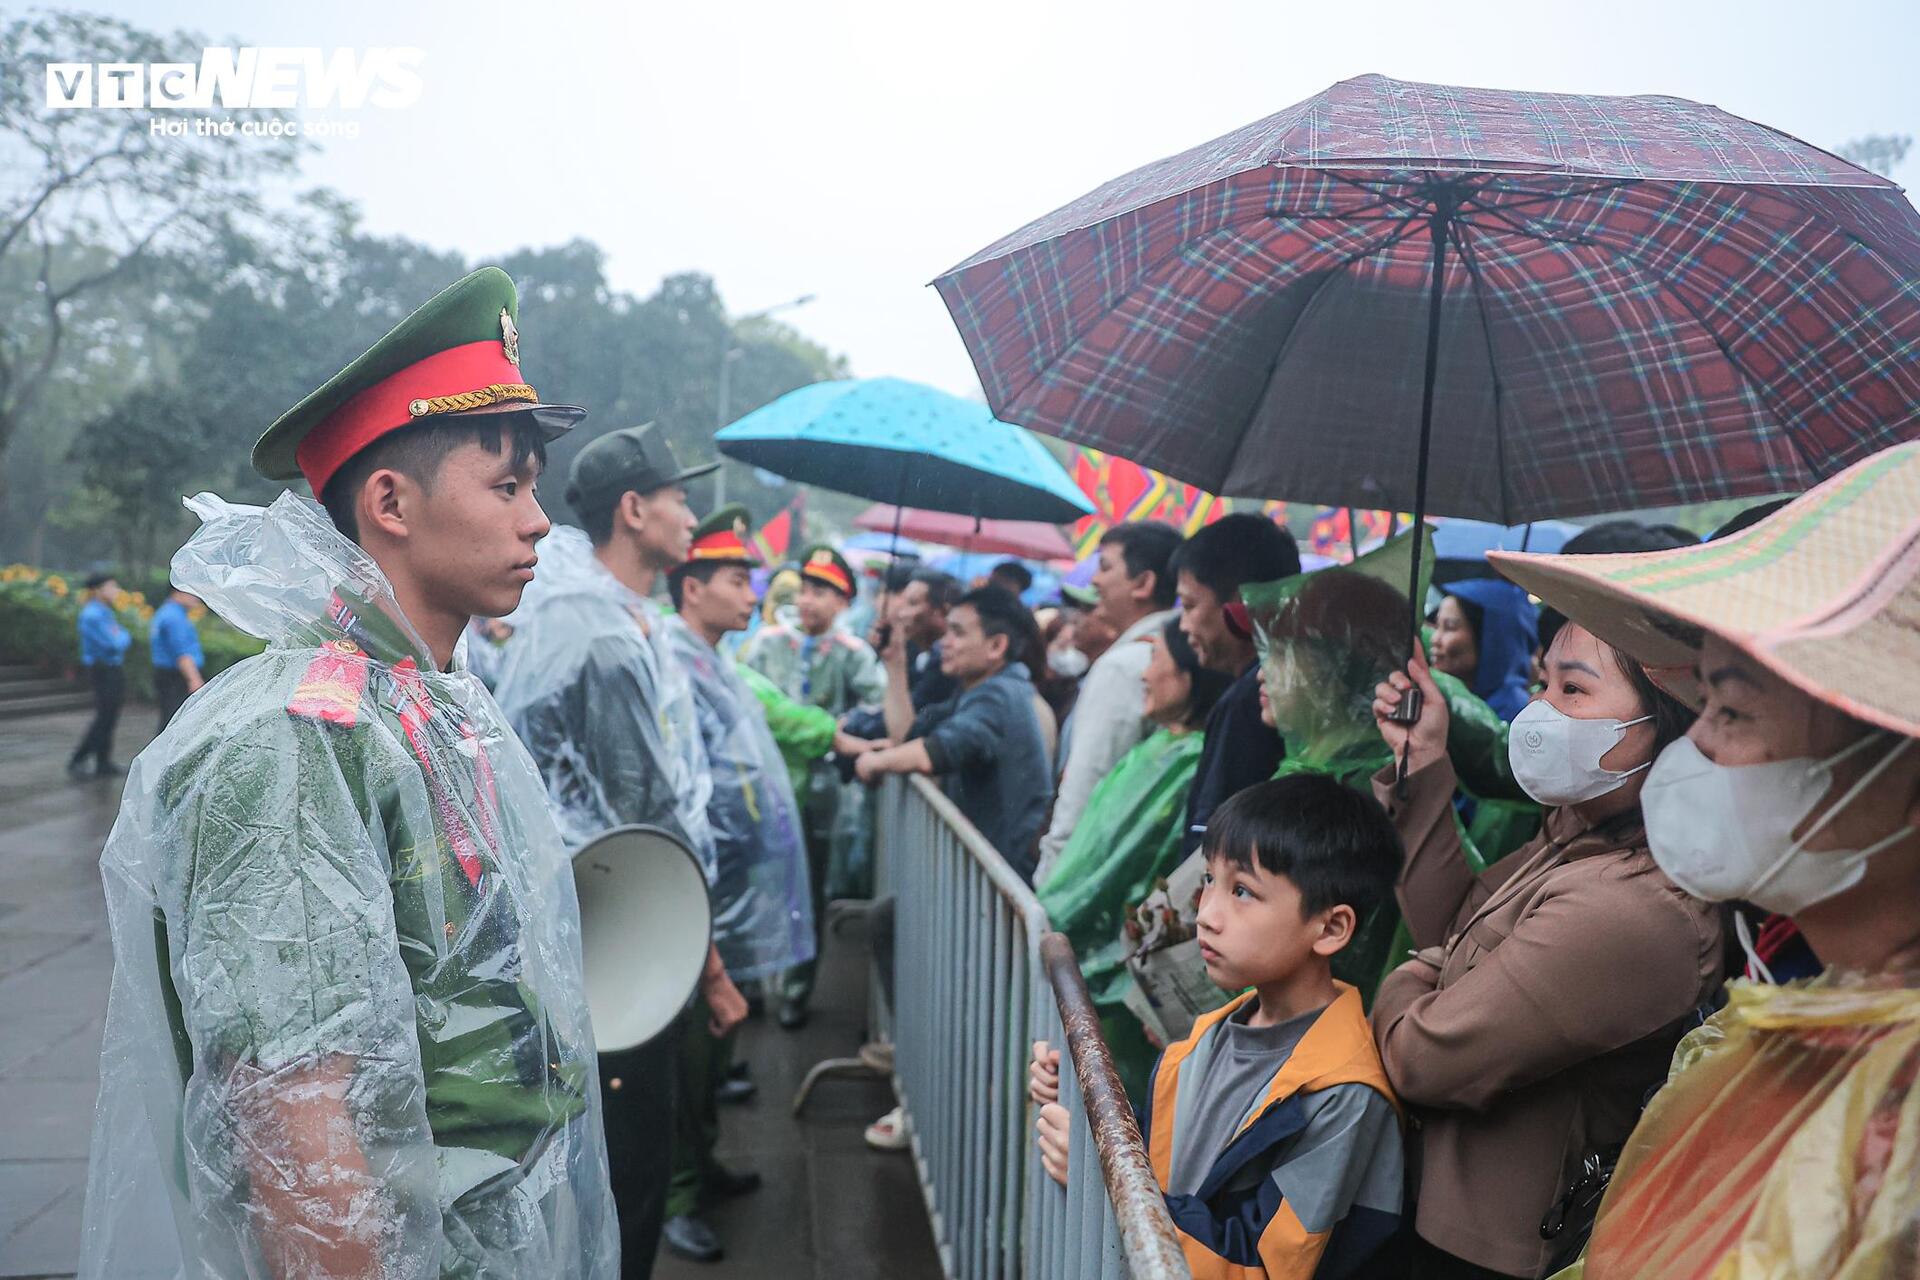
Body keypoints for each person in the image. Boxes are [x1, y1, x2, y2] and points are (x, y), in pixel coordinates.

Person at [77, 267, 618, 1279]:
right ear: (389, 502)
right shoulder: (290, 739)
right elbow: (300, 1124)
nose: (540, 519)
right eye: (507, 485)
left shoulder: (421, 704)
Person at [1486, 443, 1920, 1280]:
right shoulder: (1791, 1026)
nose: (1700, 743)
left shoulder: (1895, 1138)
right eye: (1703, 702)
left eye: (1733, 709)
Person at [1369, 571, 1721, 1278]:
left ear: (1666, 726)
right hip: (1432, 1204)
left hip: (1489, 1251)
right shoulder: (1577, 829)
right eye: (1543, 683)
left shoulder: (1637, 907)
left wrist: (1414, 975)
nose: (1540, 710)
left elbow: (1424, 1057)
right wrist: (1429, 758)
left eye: (1574, 689)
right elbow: (1459, 927)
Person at [492, 421, 748, 1274]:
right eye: (681, 499)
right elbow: (645, 816)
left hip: (617, 925)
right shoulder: (599, 637)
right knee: (627, 1175)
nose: (692, 516)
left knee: (621, 1167)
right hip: (621, 935)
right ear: (635, 510)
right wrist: (708, 968)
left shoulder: (616, 619)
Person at [1031, 776, 1407, 1280]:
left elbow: (1263, 1265)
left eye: (1243, 891)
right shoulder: (1206, 1037)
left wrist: (1105, 1178)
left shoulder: (1345, 1097)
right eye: (1209, 879)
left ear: (1331, 928)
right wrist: (1081, 1098)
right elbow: (1170, 1166)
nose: (1206, 914)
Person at [660, 507, 820, 1259]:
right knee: (687, 1046)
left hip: (728, 874)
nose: (750, 592)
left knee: (719, 1039)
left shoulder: (715, 657)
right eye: (735, 578)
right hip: (692, 878)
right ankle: (677, 1194)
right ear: (691, 587)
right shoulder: (669, 658)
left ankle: (704, 1162)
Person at [1036, 618, 1231, 1096]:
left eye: (1156, 659)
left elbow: (1108, 865)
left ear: (1190, 674)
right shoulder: (1163, 747)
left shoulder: (1184, 760)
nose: (1145, 674)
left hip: (1119, 983)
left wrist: (1048, 913)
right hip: (1108, 969)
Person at [740, 545, 886, 1029]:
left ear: (844, 601)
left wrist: (841, 728)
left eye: (821, 591)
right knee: (759, 886)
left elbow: (877, 709)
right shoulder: (766, 643)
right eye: (805, 588)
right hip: (766, 790)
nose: (808, 600)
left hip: (824, 798)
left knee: (809, 891)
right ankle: (752, 984)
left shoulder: (853, 655)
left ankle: (797, 991)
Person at [859, 585, 1053, 876]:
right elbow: (908, 739)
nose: (944, 643)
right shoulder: (979, 690)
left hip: (1000, 884)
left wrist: (876, 762)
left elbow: (934, 753)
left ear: (996, 646)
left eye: (958, 633)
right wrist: (895, 661)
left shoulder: (1000, 696)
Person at [1035, 521, 1181, 882]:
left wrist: (1049, 884)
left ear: (1143, 583)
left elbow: (1085, 786)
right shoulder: (1181, 654)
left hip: (1093, 874)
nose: (1095, 582)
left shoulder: (1124, 667)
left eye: (1105, 567)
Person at [1173, 514, 1302, 855]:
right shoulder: (1274, 688)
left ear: (1241, 606)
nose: (1183, 625)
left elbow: (1211, 845)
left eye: (1189, 605)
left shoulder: (1252, 700)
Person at [1429, 578, 1538, 722]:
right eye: (1437, 626)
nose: (1435, 639)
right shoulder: (1448, 700)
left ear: (1490, 637)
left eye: (1449, 627)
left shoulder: (1517, 717)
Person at [68, 572, 131, 777]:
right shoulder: (92, 615)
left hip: (112, 668)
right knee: (104, 717)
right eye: (112, 587)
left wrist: (120, 637)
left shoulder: (104, 612)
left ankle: (103, 762)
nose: (116, 591)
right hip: (103, 670)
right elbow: (115, 642)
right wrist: (119, 637)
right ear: (98, 590)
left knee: (110, 717)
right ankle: (78, 759)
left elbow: (123, 637)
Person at [148, 583, 205, 731]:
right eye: (192, 593)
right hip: (175, 677)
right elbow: (182, 653)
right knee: (173, 723)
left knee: (169, 719)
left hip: (167, 674)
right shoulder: (175, 618)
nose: (197, 598)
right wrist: (194, 679)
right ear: (177, 592)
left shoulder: (168, 612)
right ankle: (161, 754)